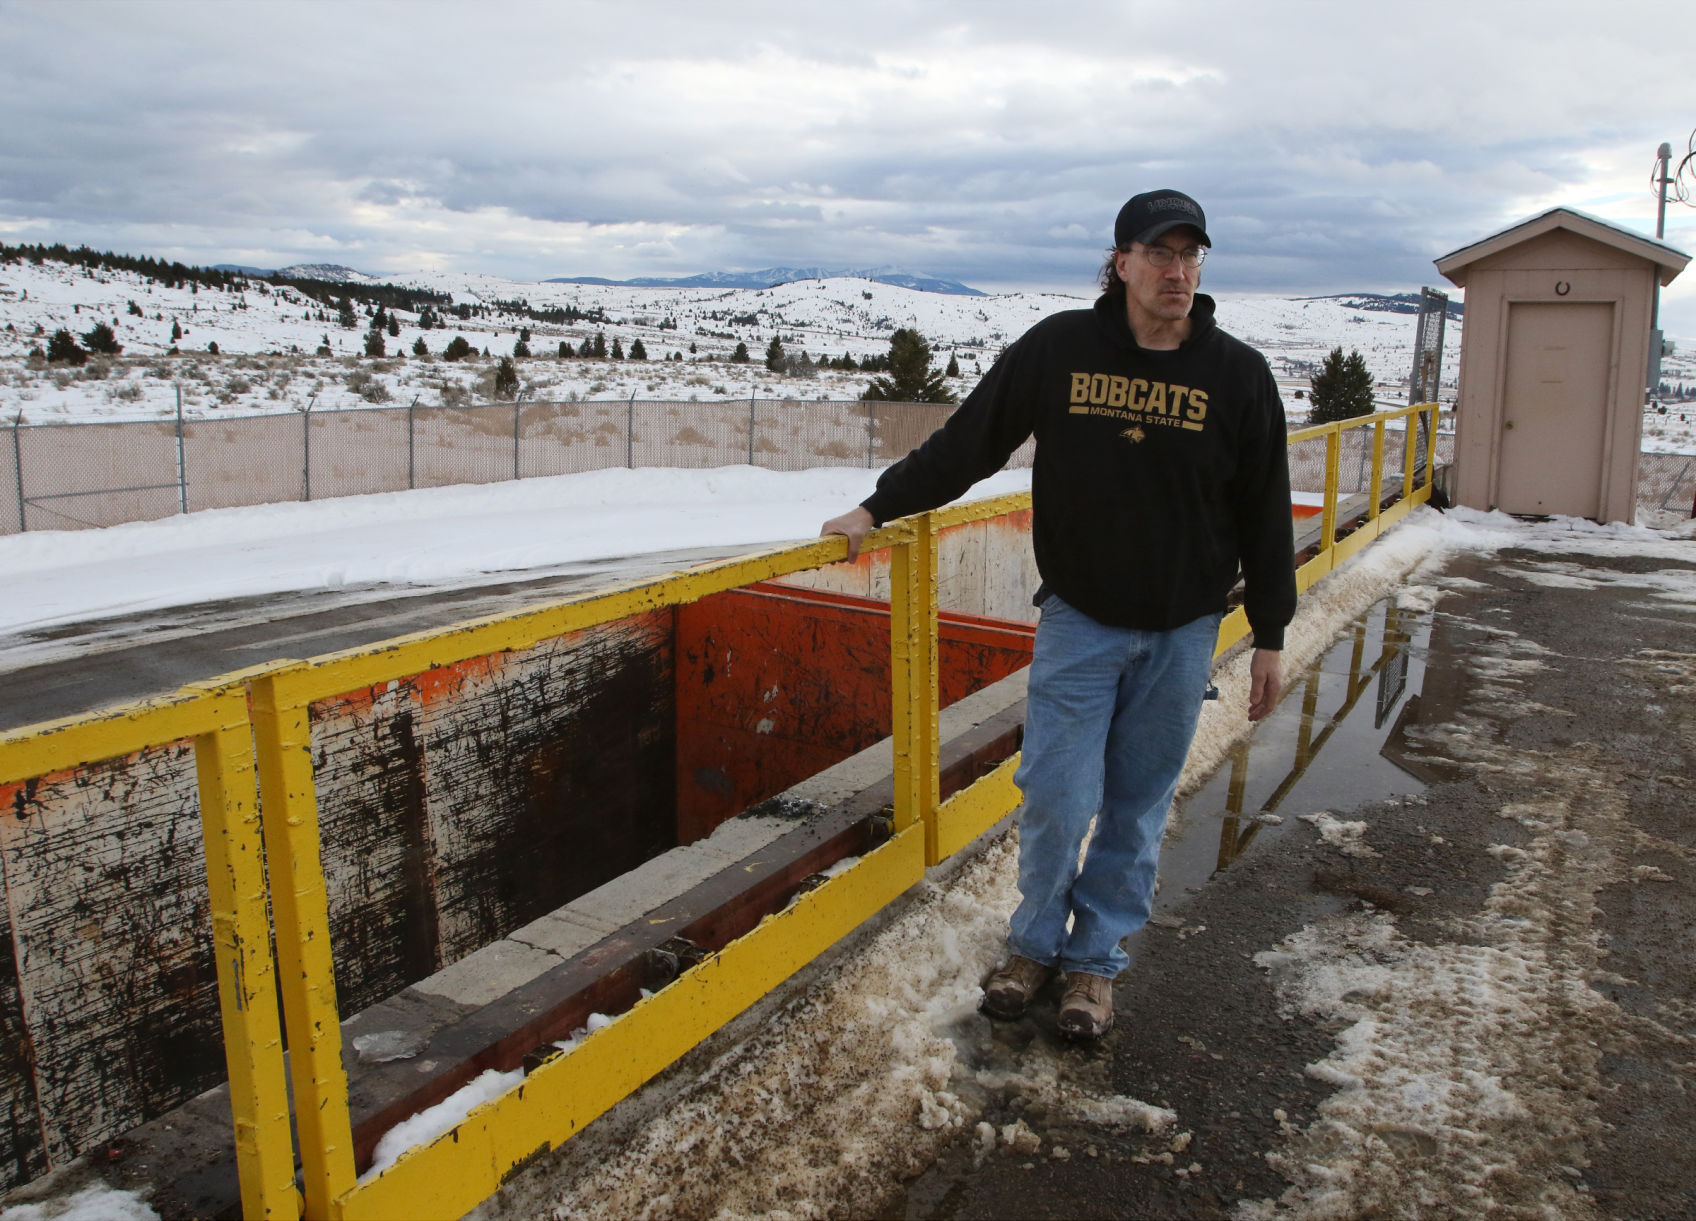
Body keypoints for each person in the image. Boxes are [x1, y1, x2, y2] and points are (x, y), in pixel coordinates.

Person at [819, 190, 1295, 1039]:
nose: (1178, 271)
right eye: (1160, 253)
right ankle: (1033, 944)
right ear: (1121, 262)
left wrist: (1271, 632)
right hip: (1081, 619)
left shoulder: (1237, 374)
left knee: (1136, 806)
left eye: (1190, 255)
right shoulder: (1060, 350)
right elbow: (970, 442)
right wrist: (875, 508)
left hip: (1183, 629)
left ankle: (1093, 964)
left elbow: (1265, 509)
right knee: (1057, 797)